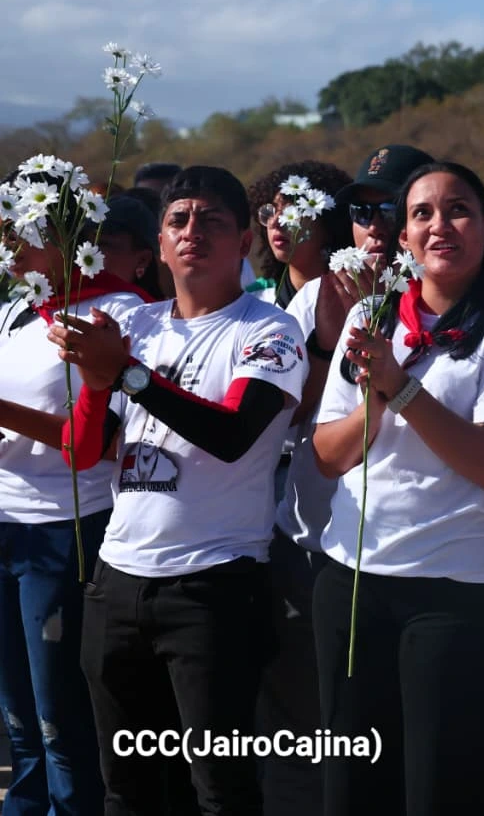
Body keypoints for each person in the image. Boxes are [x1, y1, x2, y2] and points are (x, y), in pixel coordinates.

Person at [52, 165, 307, 816]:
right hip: (117, 581)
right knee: (127, 789)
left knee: (218, 790)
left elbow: (232, 434)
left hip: (213, 587)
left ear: (244, 241)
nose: (193, 231)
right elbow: (83, 452)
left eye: (212, 220)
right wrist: (96, 380)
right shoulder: (135, 324)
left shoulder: (269, 329)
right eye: (178, 220)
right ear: (160, 245)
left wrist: (127, 374)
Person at [310, 161, 484, 814]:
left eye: (458, 210)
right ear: (404, 236)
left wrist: (401, 388)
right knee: (351, 791)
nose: (440, 225)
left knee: (438, 792)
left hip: (457, 591)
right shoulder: (372, 315)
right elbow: (329, 455)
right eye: (422, 213)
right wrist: (376, 401)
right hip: (353, 579)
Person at [0, 172, 150, 816]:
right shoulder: (18, 309)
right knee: (17, 720)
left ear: (64, 231)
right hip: (6, 524)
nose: (8, 245)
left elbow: (104, 444)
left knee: (59, 718)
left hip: (68, 527)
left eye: (21, 230)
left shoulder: (119, 313)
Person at [241, 159, 354, 816]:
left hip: (320, 507)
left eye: (300, 211)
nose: (280, 224)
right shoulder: (265, 301)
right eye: (270, 212)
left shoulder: (335, 297)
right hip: (270, 501)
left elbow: (299, 410)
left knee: (313, 696)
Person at [246, 161, 353, 309]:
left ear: (330, 225)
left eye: (292, 212)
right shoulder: (252, 303)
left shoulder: (360, 300)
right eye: (270, 211)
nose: (275, 222)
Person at [88, 194, 166, 301]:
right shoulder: (70, 301)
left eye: (103, 245)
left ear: (142, 260)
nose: (88, 253)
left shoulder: (157, 312)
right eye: (85, 244)